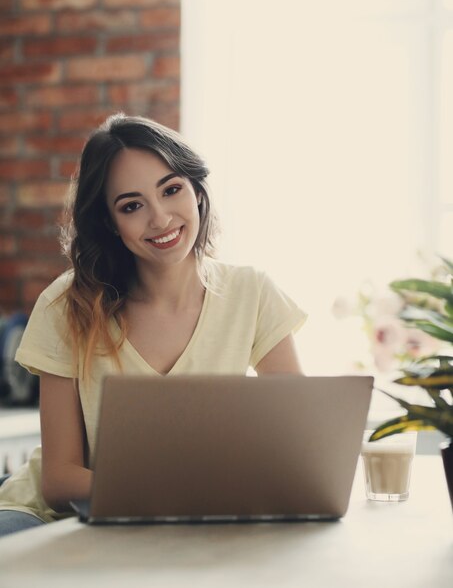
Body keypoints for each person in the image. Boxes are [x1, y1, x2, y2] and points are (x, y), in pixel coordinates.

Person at [0, 113, 306, 537]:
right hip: (54, 518)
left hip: (183, 519)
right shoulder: (66, 305)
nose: (160, 219)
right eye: (132, 205)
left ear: (197, 191)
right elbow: (58, 481)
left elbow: (297, 443)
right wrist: (181, 497)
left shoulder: (251, 293)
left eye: (171, 189)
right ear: (110, 222)